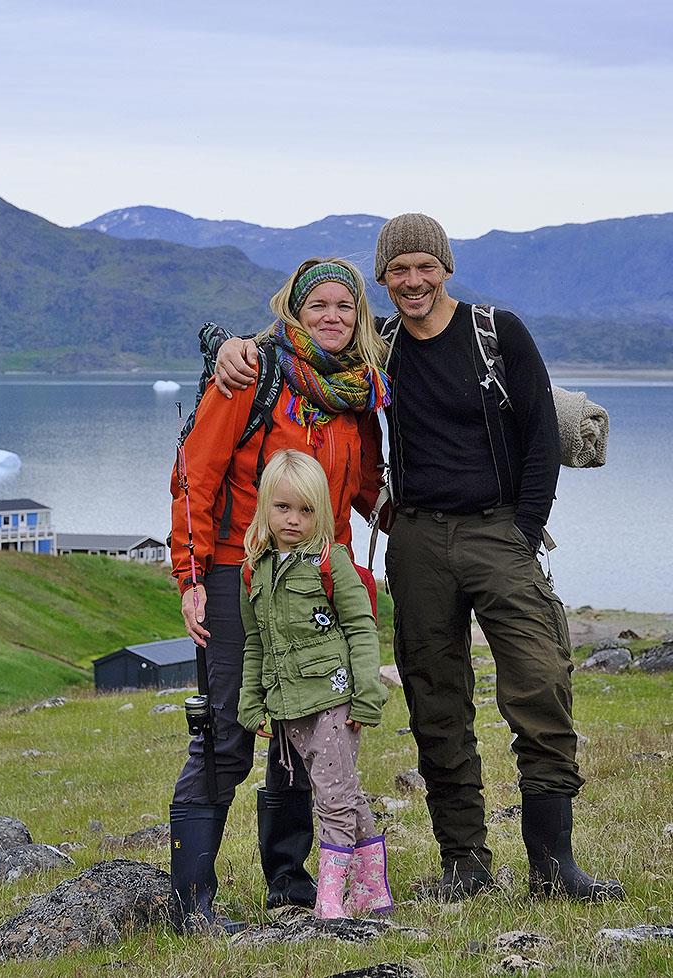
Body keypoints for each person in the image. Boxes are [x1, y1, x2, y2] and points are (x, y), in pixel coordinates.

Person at [211, 214, 625, 903]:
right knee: (437, 704)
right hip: (419, 540)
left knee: (540, 684)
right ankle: (465, 864)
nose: (412, 281)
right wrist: (229, 347)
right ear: (383, 278)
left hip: (500, 532)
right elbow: (306, 342)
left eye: (424, 267)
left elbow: (539, 443)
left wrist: (523, 532)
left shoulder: (498, 333)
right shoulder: (383, 348)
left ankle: (556, 869)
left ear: (445, 269)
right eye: (397, 270)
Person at [169, 258, 389, 931]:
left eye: (344, 307)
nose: (331, 317)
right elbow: (194, 476)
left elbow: (365, 492)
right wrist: (191, 576)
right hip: (244, 574)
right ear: (294, 309)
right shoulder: (250, 375)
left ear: (359, 317)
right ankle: (192, 905)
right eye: (317, 304)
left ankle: (290, 887)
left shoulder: (360, 396)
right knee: (228, 733)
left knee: (308, 732)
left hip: (324, 579)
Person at [238, 449, 391, 918]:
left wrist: (367, 696)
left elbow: (363, 629)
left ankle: (330, 897)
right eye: (283, 507)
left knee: (333, 796)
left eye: (306, 510)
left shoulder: (332, 562)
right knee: (343, 789)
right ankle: (372, 889)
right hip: (290, 707)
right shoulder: (254, 572)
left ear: (320, 512)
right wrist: (252, 701)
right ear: (265, 506)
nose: (293, 519)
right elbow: (254, 643)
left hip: (335, 699)